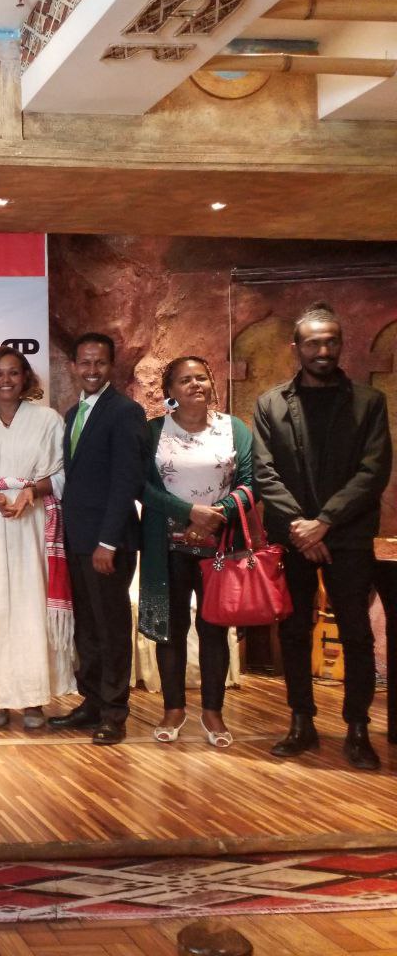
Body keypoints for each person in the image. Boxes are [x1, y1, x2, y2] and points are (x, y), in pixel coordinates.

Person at [254, 302, 392, 770]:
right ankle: (301, 723)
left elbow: (373, 472)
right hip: (292, 535)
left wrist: (325, 522)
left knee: (356, 632)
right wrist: (301, 525)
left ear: (341, 344)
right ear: (296, 346)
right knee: (294, 631)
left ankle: (357, 729)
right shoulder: (271, 403)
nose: (323, 350)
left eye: (331, 341)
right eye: (313, 342)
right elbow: (264, 472)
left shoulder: (369, 402)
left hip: (347, 535)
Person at [138, 356, 253, 749]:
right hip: (165, 546)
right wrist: (189, 512)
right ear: (170, 390)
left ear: (211, 383)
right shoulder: (153, 431)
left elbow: (250, 484)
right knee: (170, 630)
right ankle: (173, 709)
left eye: (201, 378)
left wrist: (215, 515)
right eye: (184, 380)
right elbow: (142, 486)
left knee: (214, 628)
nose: (194, 385)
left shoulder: (234, 428)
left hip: (219, 546)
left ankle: (212, 711)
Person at [0, 347, 74, 730]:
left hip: (33, 524)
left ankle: (33, 700)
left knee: (30, 609)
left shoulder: (48, 420)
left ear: (25, 377)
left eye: (13, 372)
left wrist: (31, 492)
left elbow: (63, 473)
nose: (6, 380)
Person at [48, 332, 147, 746]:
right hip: (78, 538)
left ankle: (114, 712)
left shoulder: (125, 411)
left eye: (99, 362)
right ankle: (91, 703)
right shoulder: (74, 413)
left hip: (108, 542)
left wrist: (108, 541)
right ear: (73, 366)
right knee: (87, 627)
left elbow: (127, 480)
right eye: (85, 363)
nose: (91, 370)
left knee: (111, 627)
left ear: (111, 366)